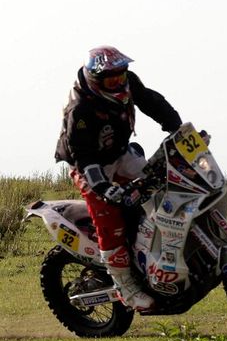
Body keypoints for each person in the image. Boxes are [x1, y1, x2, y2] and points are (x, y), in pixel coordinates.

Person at [55, 46, 182, 311]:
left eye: (121, 74)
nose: (119, 81)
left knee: (164, 186)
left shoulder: (128, 81)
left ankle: (165, 255)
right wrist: (102, 186)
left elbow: (150, 101)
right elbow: (82, 154)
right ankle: (126, 286)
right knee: (109, 217)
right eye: (111, 78)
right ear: (95, 80)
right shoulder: (79, 109)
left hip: (121, 153)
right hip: (89, 166)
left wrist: (176, 127)